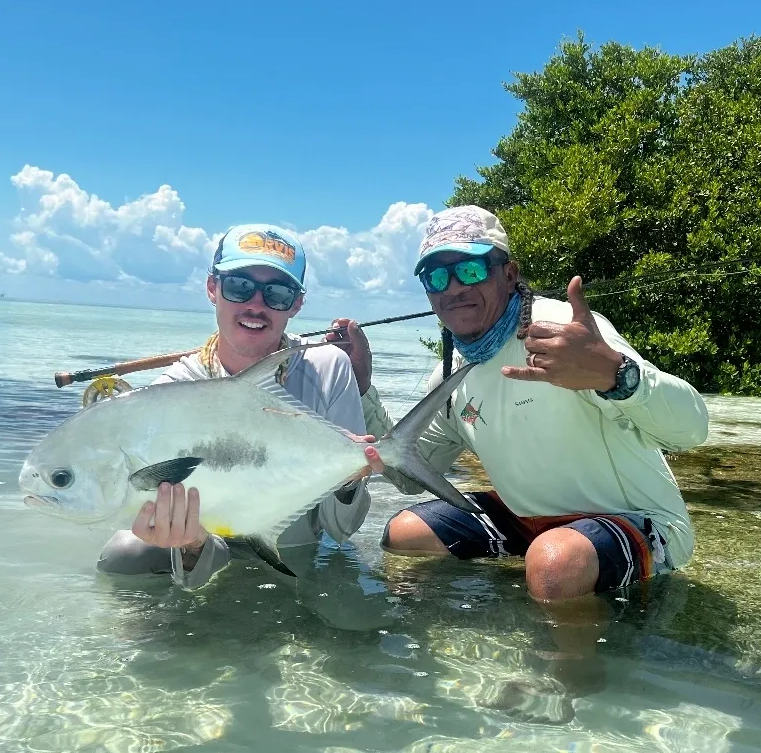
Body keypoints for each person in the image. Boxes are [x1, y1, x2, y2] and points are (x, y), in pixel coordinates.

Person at [328, 204, 709, 604]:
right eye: (436, 276)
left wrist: (617, 375)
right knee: (404, 533)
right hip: (527, 519)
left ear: (509, 274)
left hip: (638, 519)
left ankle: (578, 661)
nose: (453, 288)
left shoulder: (565, 335)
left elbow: (692, 430)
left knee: (553, 563)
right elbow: (409, 475)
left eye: (471, 270)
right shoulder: (450, 374)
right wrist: (363, 384)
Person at [97, 224, 376, 590]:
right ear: (213, 288)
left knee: (358, 625)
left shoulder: (328, 367)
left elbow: (341, 528)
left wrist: (347, 478)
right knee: (122, 555)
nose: (256, 305)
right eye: (239, 286)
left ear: (296, 304)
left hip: (297, 544)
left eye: (277, 293)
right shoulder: (173, 389)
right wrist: (193, 544)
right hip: (210, 542)